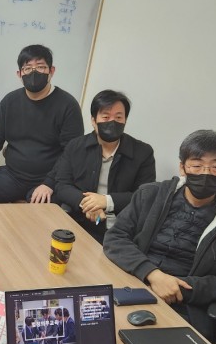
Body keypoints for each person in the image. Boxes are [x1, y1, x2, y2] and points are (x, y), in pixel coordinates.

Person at [104, 130, 216, 342]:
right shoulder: (150, 194)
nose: (206, 173)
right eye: (197, 165)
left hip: (184, 307)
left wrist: (178, 288)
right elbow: (115, 237)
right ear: (182, 167)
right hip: (130, 282)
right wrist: (153, 275)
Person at [0, 44, 83, 203]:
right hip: (12, 176)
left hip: (49, 179)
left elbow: (71, 152)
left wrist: (49, 183)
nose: (34, 72)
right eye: (27, 68)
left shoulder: (68, 104)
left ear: (51, 71)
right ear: (19, 74)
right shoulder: (10, 101)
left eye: (40, 67)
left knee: (38, 210)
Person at [52, 89, 155, 243]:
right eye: (106, 117)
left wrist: (106, 201)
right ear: (94, 121)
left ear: (125, 120)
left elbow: (145, 195)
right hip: (79, 218)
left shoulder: (143, 152)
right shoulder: (75, 146)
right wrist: (88, 204)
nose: (112, 122)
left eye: (118, 117)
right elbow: (62, 185)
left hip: (120, 227)